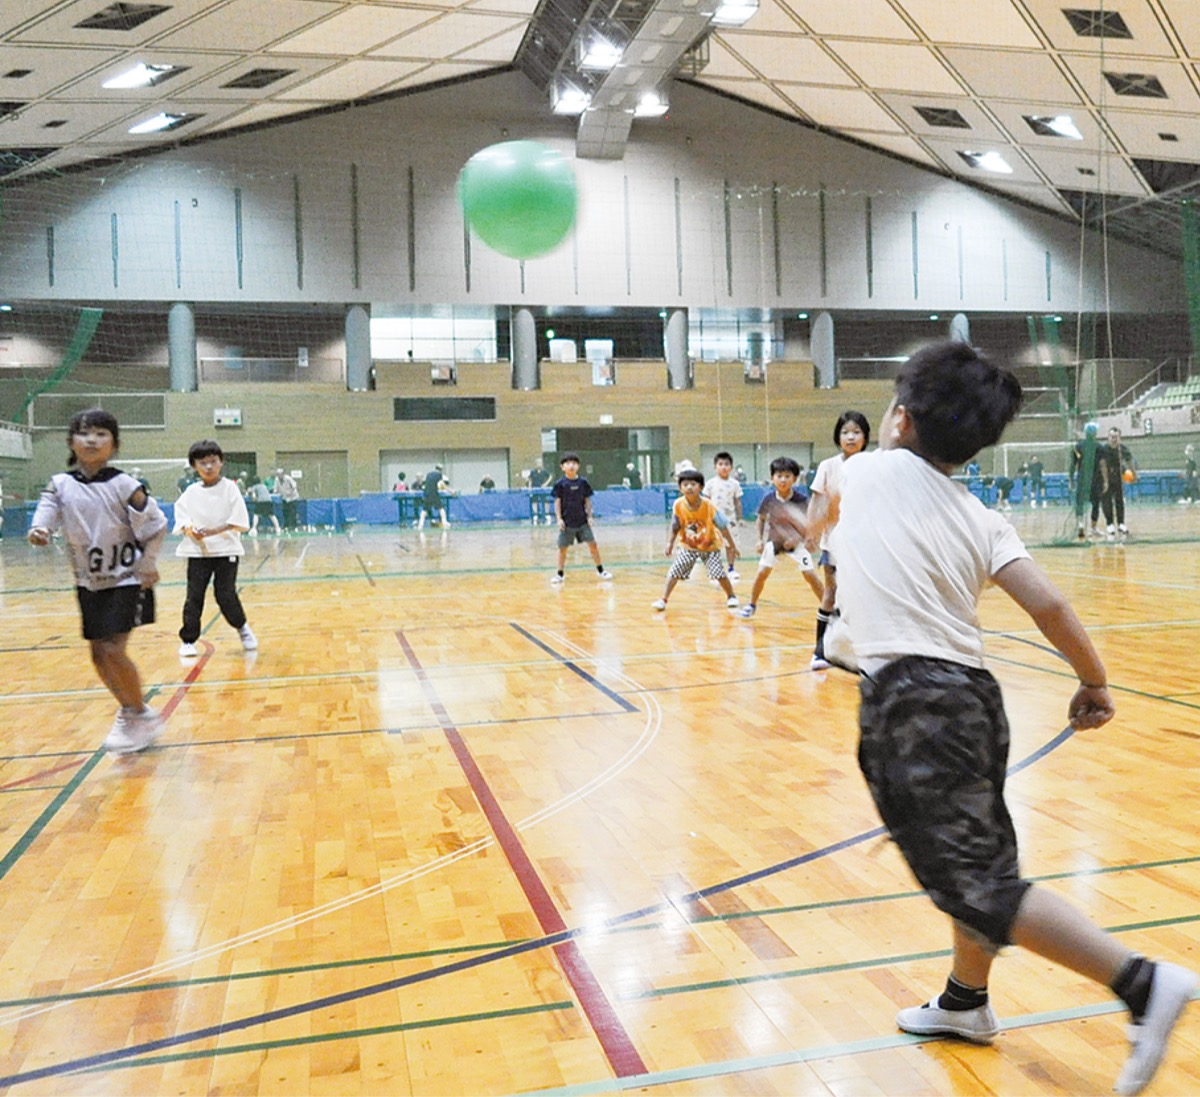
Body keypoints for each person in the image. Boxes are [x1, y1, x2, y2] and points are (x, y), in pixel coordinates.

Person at [794, 340, 1195, 1097]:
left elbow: (814, 526)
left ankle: (1141, 981)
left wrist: (791, 525)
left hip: (910, 701)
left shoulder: (856, 470)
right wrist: (1093, 680)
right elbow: (1048, 603)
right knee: (980, 859)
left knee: (975, 880)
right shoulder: (979, 513)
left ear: (900, 420)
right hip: (975, 698)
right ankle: (966, 1001)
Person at [27, 408, 168, 755]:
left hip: (126, 579)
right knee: (97, 655)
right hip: (88, 582)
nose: (92, 440)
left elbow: (157, 525)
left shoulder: (125, 485)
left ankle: (141, 712)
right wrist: (39, 528)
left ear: (115, 445)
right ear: (71, 442)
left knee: (112, 649)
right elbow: (46, 510)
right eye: (84, 433)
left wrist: (148, 562)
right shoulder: (60, 484)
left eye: (101, 434)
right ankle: (129, 710)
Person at [173, 440, 258, 658]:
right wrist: (192, 531)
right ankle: (188, 640)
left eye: (213, 461)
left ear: (221, 462)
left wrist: (213, 531)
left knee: (225, 594)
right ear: (194, 466)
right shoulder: (190, 492)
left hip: (226, 550)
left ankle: (242, 628)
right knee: (194, 596)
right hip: (198, 552)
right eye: (203, 463)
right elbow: (182, 518)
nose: (209, 467)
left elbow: (237, 520)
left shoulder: (230, 488)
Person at [808, 411, 869, 669]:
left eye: (856, 432)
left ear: (865, 437)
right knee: (830, 593)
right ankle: (820, 651)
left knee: (863, 597)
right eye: (845, 432)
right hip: (833, 544)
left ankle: (864, 653)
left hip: (864, 545)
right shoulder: (828, 466)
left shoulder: (872, 465)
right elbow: (818, 501)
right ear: (838, 436)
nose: (851, 437)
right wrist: (811, 530)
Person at [736, 456, 823, 619]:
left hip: (797, 545)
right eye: (779, 476)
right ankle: (752, 605)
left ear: (795, 479)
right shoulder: (768, 499)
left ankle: (827, 608)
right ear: (772, 478)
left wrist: (799, 538)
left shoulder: (801, 500)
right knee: (761, 573)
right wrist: (759, 540)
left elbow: (809, 523)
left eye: (787, 476)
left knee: (810, 575)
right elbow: (761, 519)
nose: (783, 480)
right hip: (774, 543)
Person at [652, 469, 739, 611]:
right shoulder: (678, 504)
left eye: (693, 484)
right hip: (689, 546)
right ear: (680, 488)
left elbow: (722, 525)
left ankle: (731, 596)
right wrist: (670, 543)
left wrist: (731, 544)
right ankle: (663, 599)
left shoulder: (708, 505)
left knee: (718, 573)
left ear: (701, 487)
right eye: (685, 484)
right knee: (674, 571)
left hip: (710, 546)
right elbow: (675, 525)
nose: (689, 487)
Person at [550, 452, 611, 583]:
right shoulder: (560, 484)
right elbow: (557, 502)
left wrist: (590, 516)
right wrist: (559, 519)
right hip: (567, 522)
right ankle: (560, 573)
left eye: (574, 463)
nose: (571, 466)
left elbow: (587, 500)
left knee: (593, 545)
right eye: (567, 463)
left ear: (578, 466)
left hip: (582, 521)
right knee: (563, 549)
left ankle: (601, 570)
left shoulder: (583, 482)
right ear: (562, 467)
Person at [702, 450, 743, 580]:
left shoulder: (735, 484)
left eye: (726, 464)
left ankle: (731, 569)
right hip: (713, 519)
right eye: (720, 464)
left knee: (731, 544)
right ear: (715, 467)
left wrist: (740, 518)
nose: (723, 467)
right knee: (714, 545)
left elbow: (738, 502)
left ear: (731, 467)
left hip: (730, 519)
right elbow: (705, 502)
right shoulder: (710, 484)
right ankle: (715, 569)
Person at [1096, 427, 1135, 538]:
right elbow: (1101, 465)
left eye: (1116, 437)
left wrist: (1134, 474)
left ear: (1119, 438)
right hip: (1104, 479)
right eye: (1111, 437)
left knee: (1119, 501)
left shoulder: (1122, 449)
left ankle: (1121, 524)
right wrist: (1105, 481)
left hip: (1118, 478)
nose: (1114, 439)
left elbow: (1129, 460)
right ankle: (1109, 524)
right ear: (1108, 438)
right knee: (1106, 502)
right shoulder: (1103, 450)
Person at [417, 464, 450, 529]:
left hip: (426, 493)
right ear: (441, 470)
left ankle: (420, 524)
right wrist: (451, 491)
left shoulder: (429, 474)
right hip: (434, 493)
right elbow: (442, 484)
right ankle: (444, 522)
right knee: (441, 508)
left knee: (425, 510)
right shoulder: (439, 475)